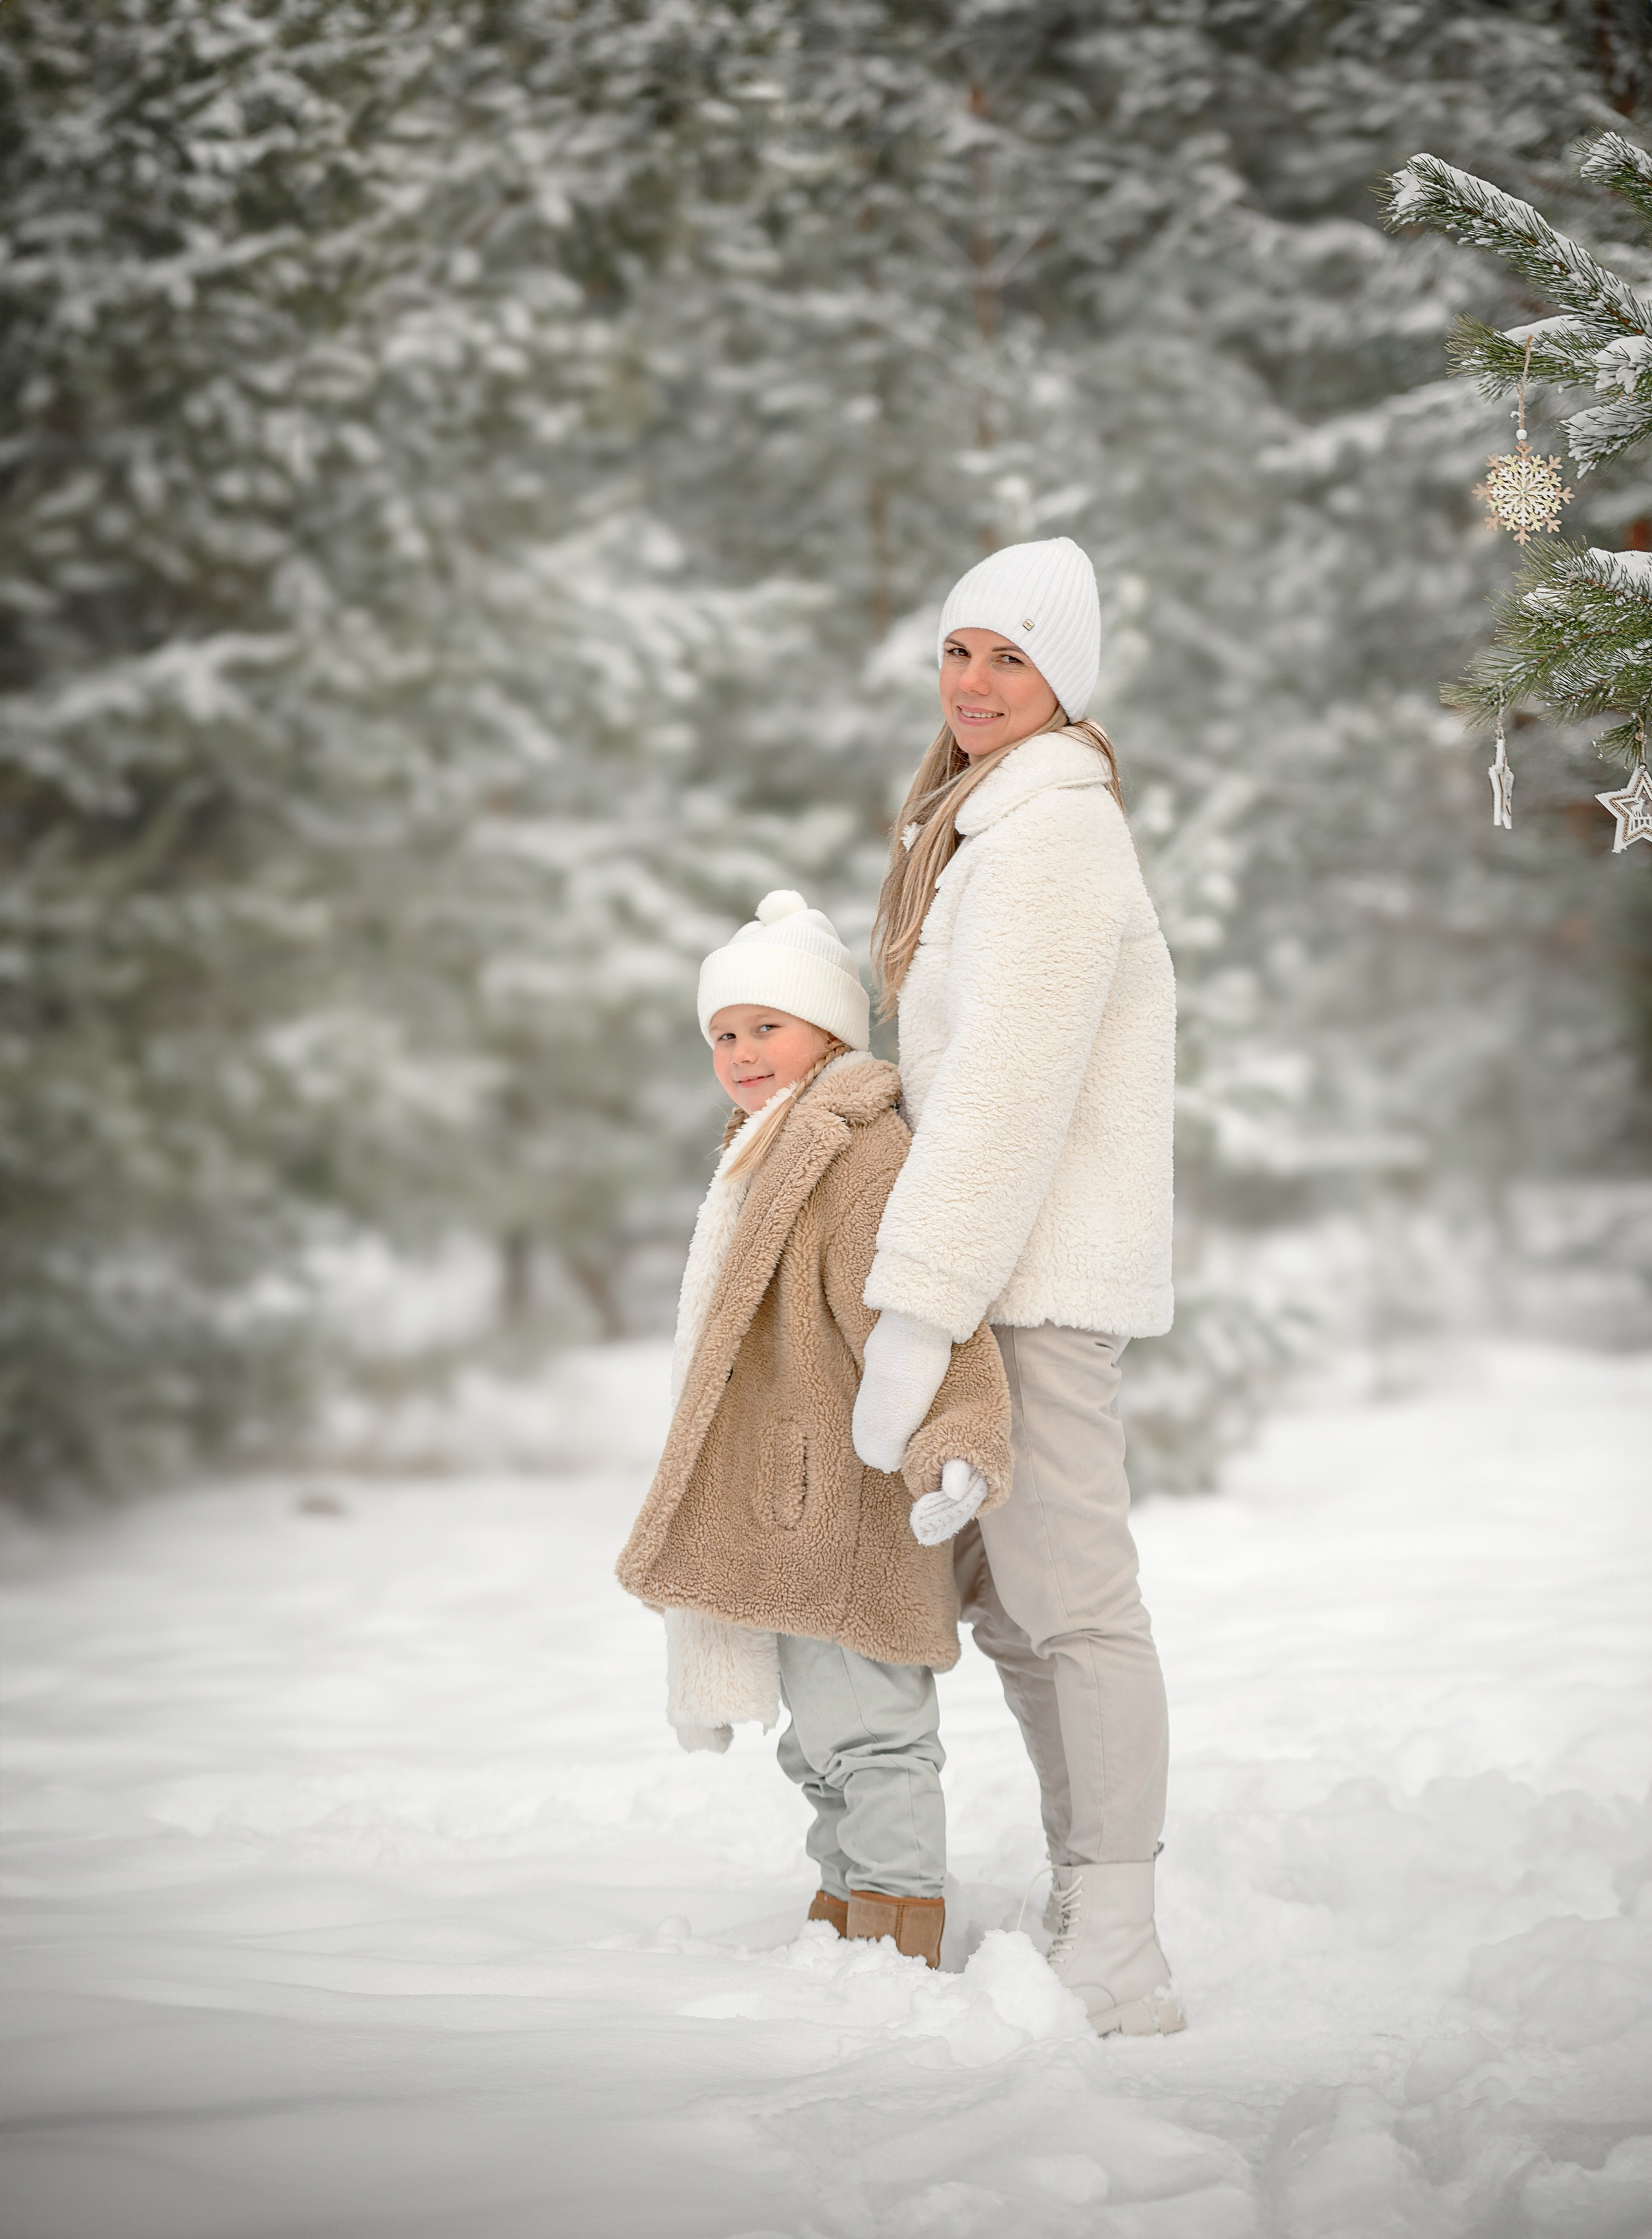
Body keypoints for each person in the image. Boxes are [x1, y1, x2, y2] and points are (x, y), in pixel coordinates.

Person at [851, 536, 1185, 2036]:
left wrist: (917, 1307)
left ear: (1067, 682)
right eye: (959, 650)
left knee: (1072, 1599)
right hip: (998, 1264)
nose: (976, 683)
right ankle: (1084, 1887)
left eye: (1013, 658)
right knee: (1011, 1607)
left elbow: (1003, 1093)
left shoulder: (1053, 835)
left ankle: (1118, 1937)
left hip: (1031, 1276)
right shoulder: (973, 823)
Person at [616, 889, 1012, 1969]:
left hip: (848, 1498)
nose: (742, 1052)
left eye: (766, 1027)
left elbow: (925, 1315)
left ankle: (901, 1920)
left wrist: (957, 1437)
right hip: (792, 1504)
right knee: (821, 1741)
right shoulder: (768, 1150)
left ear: (829, 1033)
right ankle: (845, 1906)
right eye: (724, 1034)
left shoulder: (855, 1157)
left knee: (873, 1730)